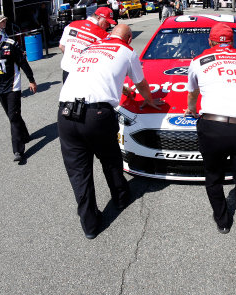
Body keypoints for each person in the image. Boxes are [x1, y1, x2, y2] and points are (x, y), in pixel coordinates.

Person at [57, 24, 161, 239]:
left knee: (78, 173)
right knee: (110, 159)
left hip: (65, 113)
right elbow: (140, 83)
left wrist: (120, 88)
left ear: (109, 35)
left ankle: (90, 225)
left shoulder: (90, 48)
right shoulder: (127, 52)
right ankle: (121, 197)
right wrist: (149, 101)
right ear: (129, 39)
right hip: (97, 115)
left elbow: (94, 76)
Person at [185, 23, 236, 285]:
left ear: (210, 41)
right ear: (232, 42)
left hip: (213, 124)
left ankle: (222, 221)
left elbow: (193, 92)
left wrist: (191, 109)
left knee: (213, 175)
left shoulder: (199, 60)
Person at [0, 20, 37, 163]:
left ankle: (18, 150)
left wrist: (31, 80)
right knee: (13, 116)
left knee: (13, 117)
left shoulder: (10, 44)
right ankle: (24, 135)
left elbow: (22, 62)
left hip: (13, 87)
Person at [59, 7, 113, 83]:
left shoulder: (71, 25)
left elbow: (61, 46)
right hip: (86, 74)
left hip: (67, 70)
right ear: (98, 17)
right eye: (107, 23)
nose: (108, 26)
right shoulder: (103, 36)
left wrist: (73, 57)